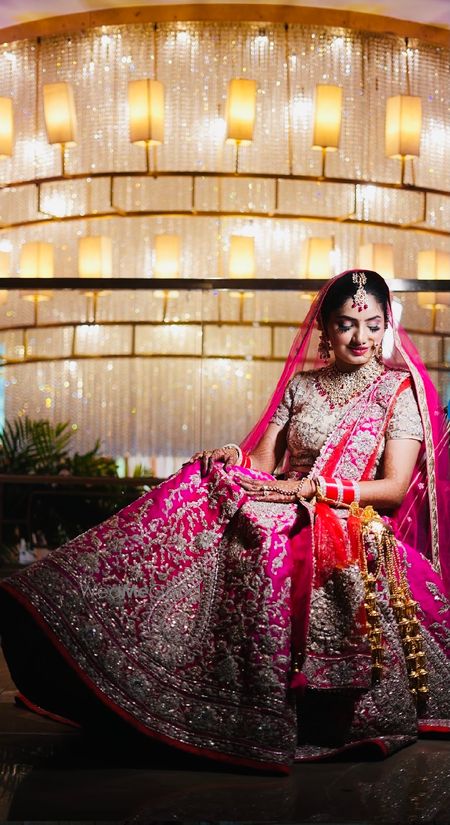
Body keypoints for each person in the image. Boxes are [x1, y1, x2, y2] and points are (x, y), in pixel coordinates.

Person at [0, 269, 448, 774]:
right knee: (202, 488)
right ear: (325, 328)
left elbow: (393, 488)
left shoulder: (397, 391)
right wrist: (233, 456)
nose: (360, 337)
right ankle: (102, 616)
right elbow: (263, 462)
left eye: (372, 325)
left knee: (266, 536)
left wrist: (312, 490)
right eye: (346, 325)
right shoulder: (303, 386)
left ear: (387, 326)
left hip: (350, 515)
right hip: (282, 497)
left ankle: (271, 705)